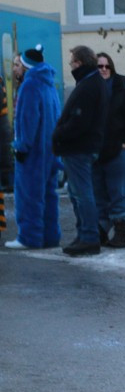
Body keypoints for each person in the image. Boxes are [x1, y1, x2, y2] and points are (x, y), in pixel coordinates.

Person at [52, 45, 110, 256]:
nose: (70, 67)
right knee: (79, 193)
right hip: (81, 146)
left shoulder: (89, 85)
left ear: (80, 63)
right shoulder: (92, 82)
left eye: (72, 63)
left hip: (79, 147)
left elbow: (79, 120)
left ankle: (88, 236)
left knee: (82, 193)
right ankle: (84, 235)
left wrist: (58, 133)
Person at [5, 47, 62, 250]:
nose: (15, 68)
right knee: (48, 196)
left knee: (29, 196)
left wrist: (21, 146)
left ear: (27, 67)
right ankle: (50, 236)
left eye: (18, 64)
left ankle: (29, 237)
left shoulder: (29, 86)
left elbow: (27, 120)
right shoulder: (49, 84)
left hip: (32, 152)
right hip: (49, 150)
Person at [91, 52, 125, 248]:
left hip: (118, 151)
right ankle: (101, 231)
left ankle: (121, 234)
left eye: (106, 66)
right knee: (99, 194)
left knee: (118, 193)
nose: (103, 69)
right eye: (99, 66)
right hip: (96, 151)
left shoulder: (122, 90)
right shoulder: (90, 90)